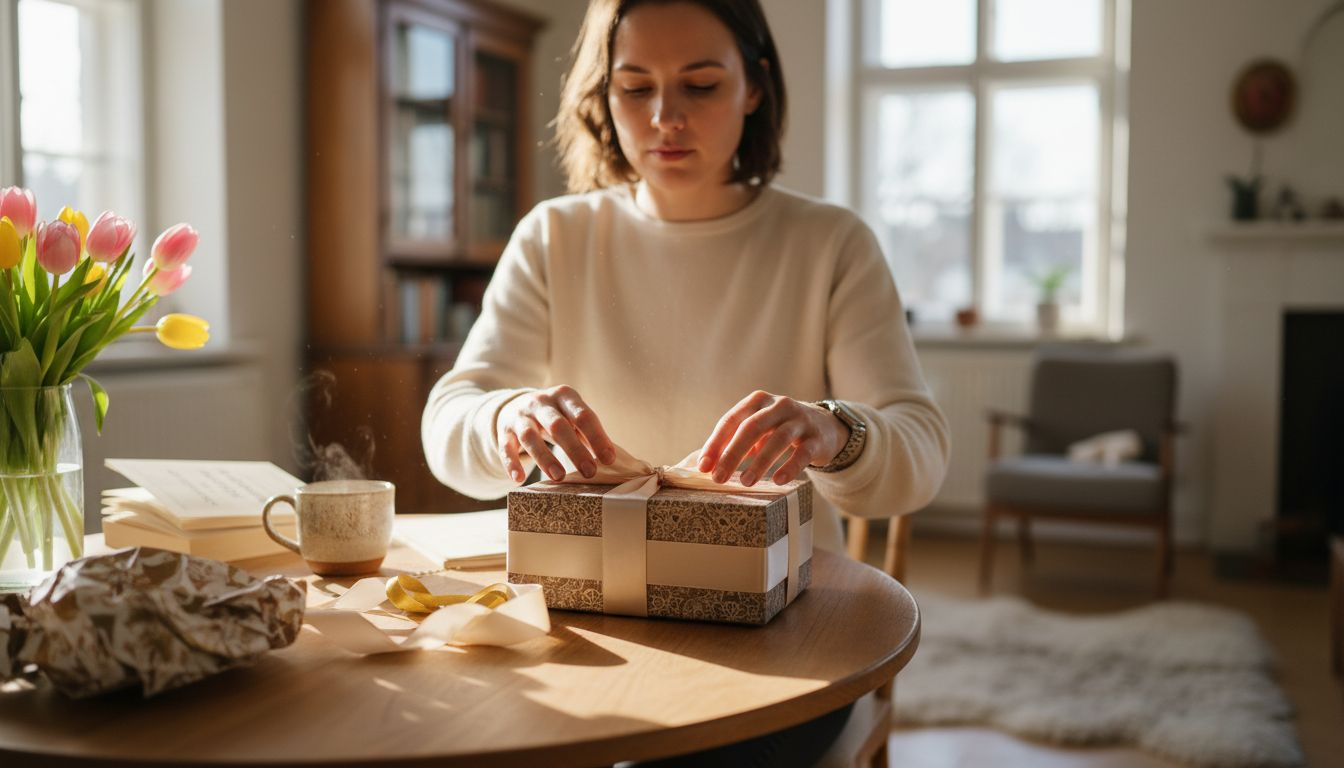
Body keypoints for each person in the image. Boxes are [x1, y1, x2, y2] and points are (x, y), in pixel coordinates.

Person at [422, 0, 950, 763]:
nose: (665, 117)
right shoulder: (554, 237)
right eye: (635, 88)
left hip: (782, 639)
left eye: (700, 86)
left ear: (755, 87)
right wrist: (505, 416)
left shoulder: (830, 244)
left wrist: (837, 431)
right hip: (587, 621)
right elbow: (448, 423)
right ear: (602, 96)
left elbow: (921, 450)